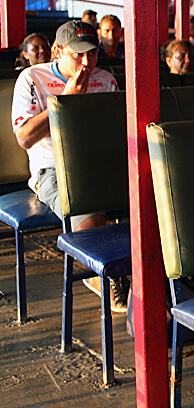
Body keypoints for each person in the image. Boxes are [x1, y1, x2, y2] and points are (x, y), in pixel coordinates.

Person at [11, 21, 127, 311]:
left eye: (93, 53)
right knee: (89, 205)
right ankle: (102, 274)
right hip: (53, 169)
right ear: (57, 51)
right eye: (78, 54)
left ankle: (137, 272)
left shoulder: (105, 79)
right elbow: (24, 137)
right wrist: (63, 101)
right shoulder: (31, 78)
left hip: (100, 162)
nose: (87, 62)